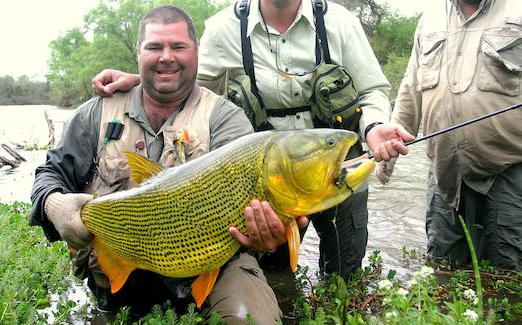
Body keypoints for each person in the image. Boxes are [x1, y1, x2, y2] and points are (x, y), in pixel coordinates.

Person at [92, 0, 411, 281]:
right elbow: (186, 81)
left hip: (338, 167)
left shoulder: (339, 22)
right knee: (274, 278)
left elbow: (372, 91)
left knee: (344, 275)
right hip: (263, 184)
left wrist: (374, 127)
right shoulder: (223, 28)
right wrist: (140, 82)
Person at [30, 5, 307, 323]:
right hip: (120, 267)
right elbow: (50, 173)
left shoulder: (225, 119)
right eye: (154, 47)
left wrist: (268, 236)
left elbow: (256, 201)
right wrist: (54, 205)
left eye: (178, 47)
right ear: (138, 52)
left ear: (196, 52)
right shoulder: (96, 113)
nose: (166, 57)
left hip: (213, 269)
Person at [375, 0, 522, 269]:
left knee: (508, 279)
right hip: (443, 174)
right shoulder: (430, 18)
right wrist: (388, 156)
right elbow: (411, 88)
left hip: (511, 173)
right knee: (442, 272)